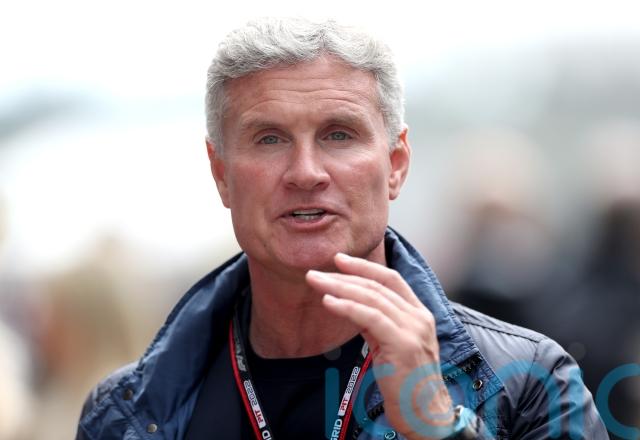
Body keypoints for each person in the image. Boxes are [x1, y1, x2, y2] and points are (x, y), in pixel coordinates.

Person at [76, 18, 608, 439]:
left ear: (396, 163)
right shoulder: (124, 413)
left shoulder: (529, 382)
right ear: (221, 173)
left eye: (338, 135)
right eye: (269, 139)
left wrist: (440, 428)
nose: (306, 172)